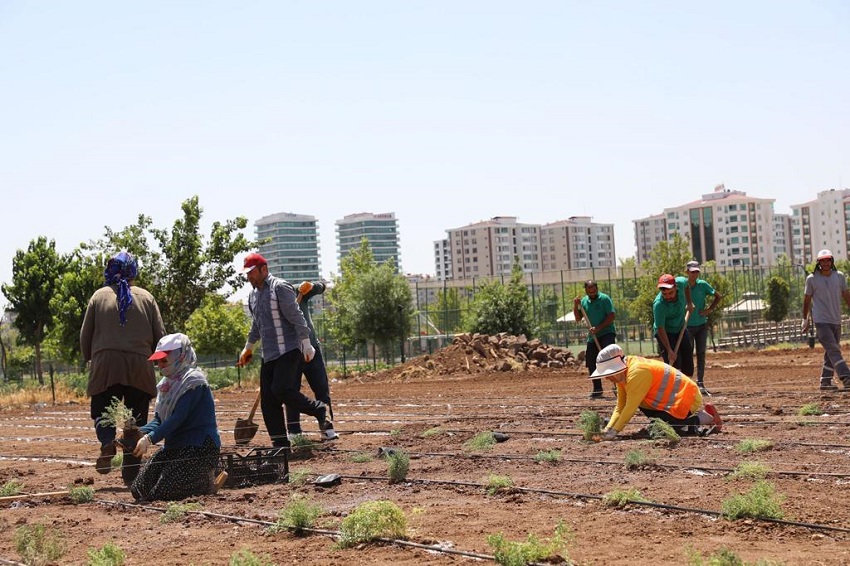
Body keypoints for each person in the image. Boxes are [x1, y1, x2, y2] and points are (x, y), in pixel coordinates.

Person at [80, 251, 166, 479]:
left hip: (106, 365)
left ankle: (107, 441)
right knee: (135, 420)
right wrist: (161, 363)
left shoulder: (98, 297)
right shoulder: (147, 298)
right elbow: (161, 336)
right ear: (133, 272)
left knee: (102, 408)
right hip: (139, 365)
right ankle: (131, 474)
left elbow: (85, 335)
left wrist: (90, 358)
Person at [237, 253, 334, 447]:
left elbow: (297, 318)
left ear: (264, 269)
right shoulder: (253, 296)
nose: (249, 277)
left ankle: (319, 410)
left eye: (252, 273)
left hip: (289, 350)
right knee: (268, 402)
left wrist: (306, 343)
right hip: (269, 354)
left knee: (282, 389)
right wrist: (248, 347)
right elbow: (256, 325)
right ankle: (280, 447)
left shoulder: (280, 288)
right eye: (247, 274)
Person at [130, 333, 221, 501]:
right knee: (139, 489)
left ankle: (204, 481)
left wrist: (149, 439)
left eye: (164, 360)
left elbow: (178, 418)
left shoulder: (193, 381)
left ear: (180, 356)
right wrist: (137, 433)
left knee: (163, 492)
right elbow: (159, 420)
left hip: (198, 447)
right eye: (157, 361)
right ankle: (195, 479)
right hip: (175, 447)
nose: (160, 365)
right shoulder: (167, 384)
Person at [589, 343, 722, 439]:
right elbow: (620, 406)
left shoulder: (637, 373)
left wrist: (614, 432)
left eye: (608, 373)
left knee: (666, 431)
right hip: (670, 402)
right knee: (657, 425)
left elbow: (630, 407)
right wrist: (607, 430)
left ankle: (706, 418)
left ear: (617, 367)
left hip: (686, 398)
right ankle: (680, 423)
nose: (606, 378)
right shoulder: (622, 375)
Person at [286, 280, 338, 441]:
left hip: (312, 349)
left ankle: (327, 427)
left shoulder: (296, 291)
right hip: (289, 353)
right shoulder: (271, 302)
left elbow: (322, 286)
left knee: (322, 389)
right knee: (290, 393)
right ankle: (294, 432)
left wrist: (312, 286)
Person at [802, 249, 850, 391]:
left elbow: (847, 296)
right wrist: (805, 319)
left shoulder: (839, 277)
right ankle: (846, 377)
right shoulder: (811, 279)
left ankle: (825, 382)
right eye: (822, 260)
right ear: (818, 263)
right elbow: (806, 300)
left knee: (831, 351)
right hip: (821, 321)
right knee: (834, 350)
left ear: (832, 261)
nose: (826, 263)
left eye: (828, 260)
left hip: (836, 320)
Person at [573, 279, 616, 399]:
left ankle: (618, 386)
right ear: (586, 291)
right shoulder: (584, 302)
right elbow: (577, 318)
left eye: (594, 291)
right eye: (589, 292)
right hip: (593, 337)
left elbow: (611, 316)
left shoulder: (605, 299)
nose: (592, 293)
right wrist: (576, 306)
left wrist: (598, 328)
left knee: (610, 359)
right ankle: (597, 389)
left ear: (597, 289)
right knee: (591, 361)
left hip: (607, 333)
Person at [684, 261, 722, 394]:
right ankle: (686, 383)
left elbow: (718, 296)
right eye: (692, 271)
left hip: (701, 325)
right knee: (687, 354)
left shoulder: (703, 285)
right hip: (687, 326)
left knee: (701, 354)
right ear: (687, 272)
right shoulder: (683, 285)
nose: (694, 274)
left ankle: (700, 383)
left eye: (696, 272)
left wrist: (709, 310)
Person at [653, 273, 695, 377]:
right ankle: (674, 390)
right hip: (665, 333)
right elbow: (660, 328)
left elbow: (687, 287)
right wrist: (669, 350)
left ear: (676, 287)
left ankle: (687, 388)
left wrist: (689, 303)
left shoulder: (681, 283)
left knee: (688, 365)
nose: (668, 296)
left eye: (670, 293)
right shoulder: (659, 305)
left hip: (680, 328)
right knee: (675, 365)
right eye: (665, 294)